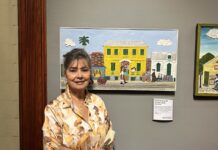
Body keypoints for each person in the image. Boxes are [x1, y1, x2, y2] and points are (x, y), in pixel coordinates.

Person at [42, 48, 115, 150]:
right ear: (65, 74)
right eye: (73, 70)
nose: (79, 75)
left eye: (84, 70)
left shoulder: (98, 103)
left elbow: (109, 141)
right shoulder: (54, 109)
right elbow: (51, 148)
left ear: (90, 73)